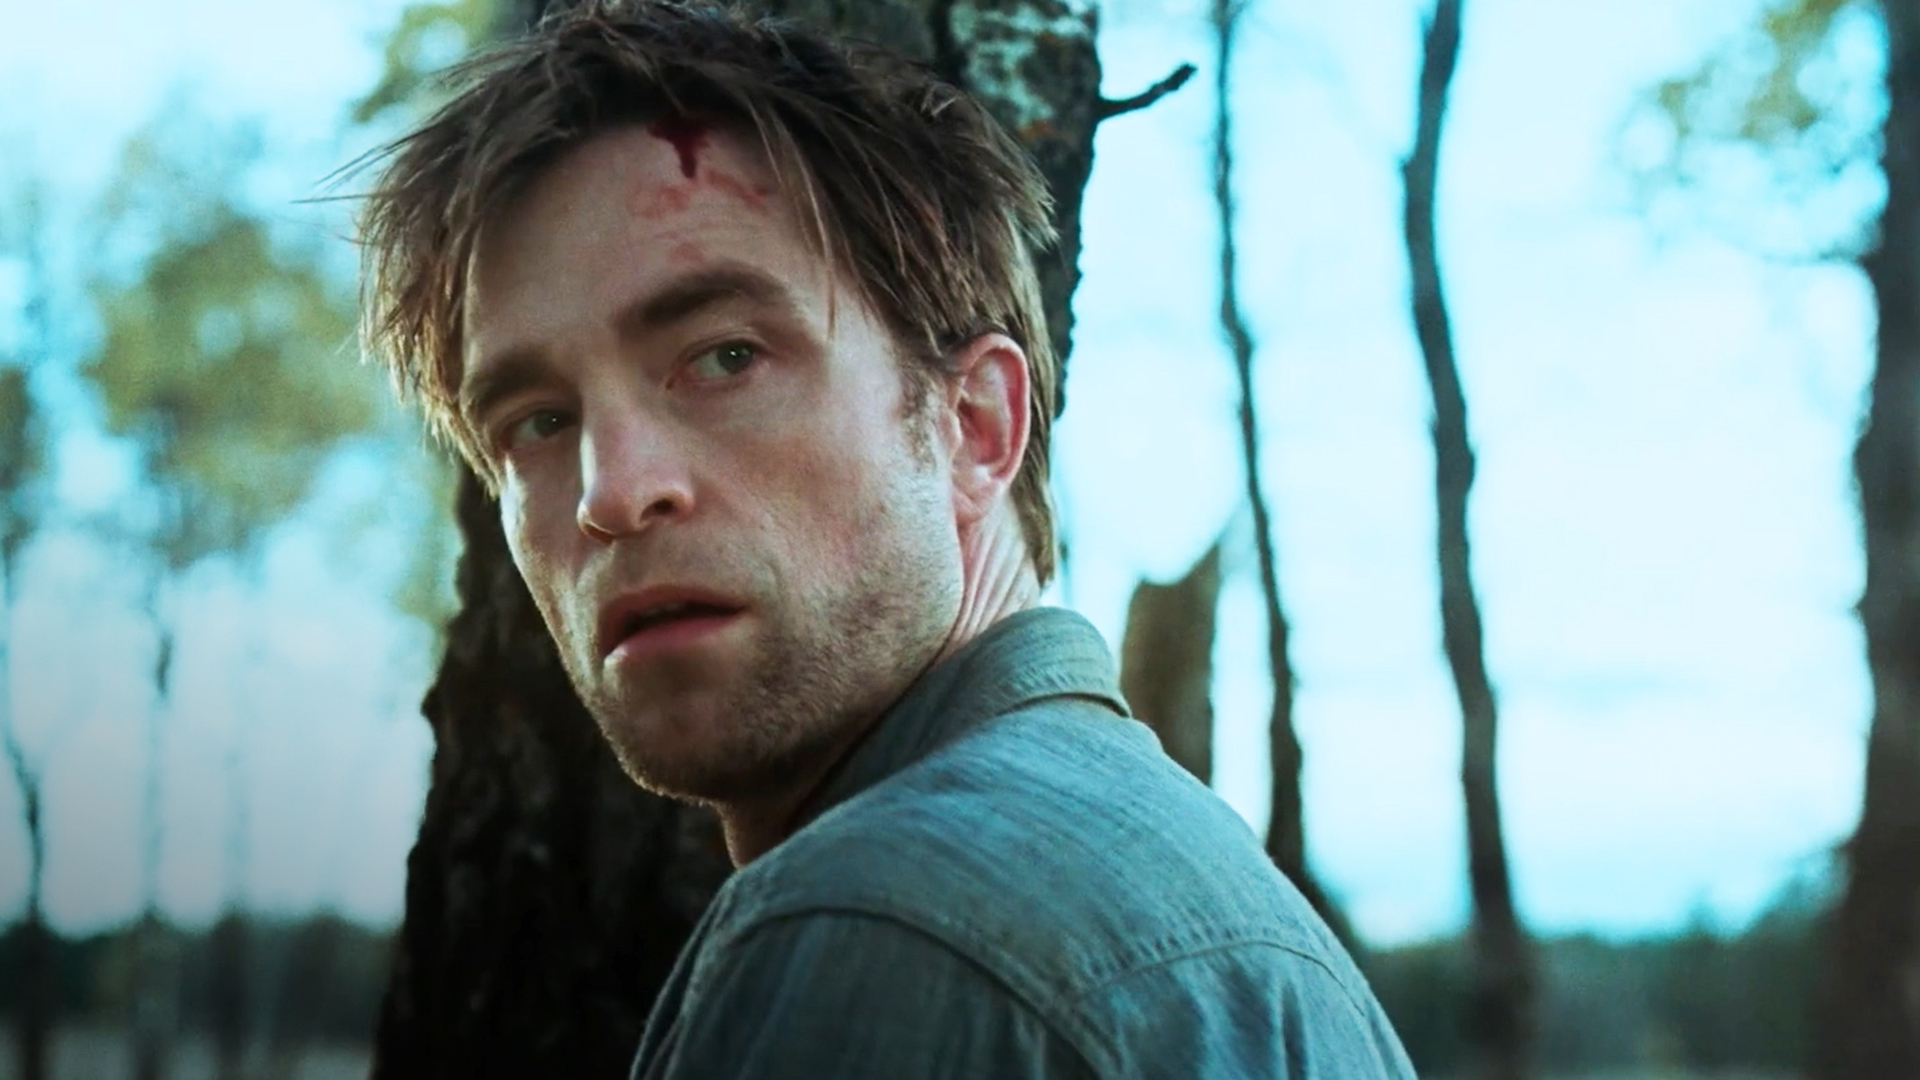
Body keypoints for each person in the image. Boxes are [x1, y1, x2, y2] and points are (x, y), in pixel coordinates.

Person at [358, 1, 1417, 1075]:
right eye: (538, 422)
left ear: (975, 424)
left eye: (725, 357)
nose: (613, 493)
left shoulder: (884, 925)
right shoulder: (1202, 893)